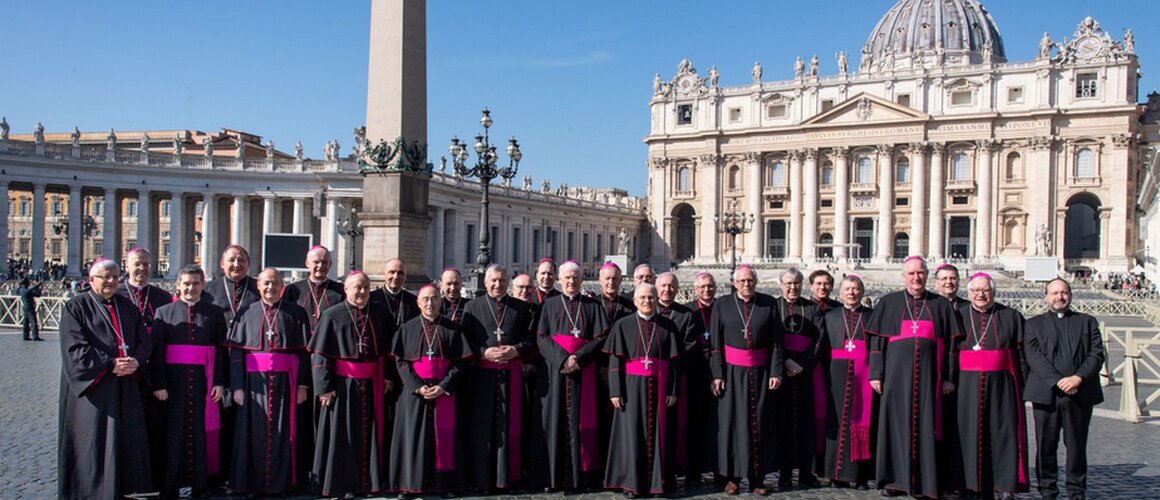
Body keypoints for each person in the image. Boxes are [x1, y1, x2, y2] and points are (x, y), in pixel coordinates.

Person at [865, 256, 964, 498]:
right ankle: (893, 481)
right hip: (895, 379)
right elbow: (877, 343)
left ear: (927, 276)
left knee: (929, 427)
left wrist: (949, 378)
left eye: (920, 273)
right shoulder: (889, 303)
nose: (916, 278)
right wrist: (876, 374)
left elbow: (951, 346)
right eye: (911, 274)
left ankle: (928, 482)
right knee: (893, 427)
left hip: (931, 380)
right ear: (904, 276)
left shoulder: (940, 305)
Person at [58, 259, 153, 499]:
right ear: (91, 280)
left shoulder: (126, 305)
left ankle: (124, 489)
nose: (111, 281)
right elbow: (75, 348)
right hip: (96, 388)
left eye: (115, 277)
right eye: (105, 277)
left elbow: (144, 340)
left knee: (125, 439)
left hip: (126, 383)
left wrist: (136, 361)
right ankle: (92, 492)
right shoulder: (75, 307)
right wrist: (110, 363)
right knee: (94, 442)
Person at [310, 271, 396, 498]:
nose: (362, 292)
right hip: (341, 386)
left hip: (373, 384)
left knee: (371, 433)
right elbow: (320, 356)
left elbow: (388, 351)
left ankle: (370, 483)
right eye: (357, 287)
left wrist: (388, 376)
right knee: (343, 435)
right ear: (346, 289)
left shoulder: (379, 312)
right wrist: (324, 388)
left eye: (366, 287)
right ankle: (343, 484)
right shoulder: (331, 315)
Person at [225, 268, 311, 496]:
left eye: (275, 283)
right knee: (253, 436)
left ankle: (283, 484)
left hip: (287, 384)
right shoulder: (246, 312)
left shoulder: (297, 313)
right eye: (266, 284)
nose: (270, 288)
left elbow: (304, 353)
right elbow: (235, 353)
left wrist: (303, 385)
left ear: (282, 286)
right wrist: (237, 387)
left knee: (286, 434)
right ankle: (253, 484)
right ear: (258, 286)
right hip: (254, 386)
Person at [149, 265, 229, 497]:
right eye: (186, 283)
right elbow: (157, 353)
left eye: (195, 283)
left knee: (201, 433)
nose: (191, 288)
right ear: (178, 285)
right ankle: (171, 484)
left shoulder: (214, 313)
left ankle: (201, 483)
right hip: (173, 384)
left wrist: (219, 382)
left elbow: (221, 350)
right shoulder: (163, 313)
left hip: (204, 383)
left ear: (203, 285)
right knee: (173, 434)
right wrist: (159, 384)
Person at [389, 285, 473, 497]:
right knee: (412, 438)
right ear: (418, 303)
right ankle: (409, 485)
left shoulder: (453, 328)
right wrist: (417, 387)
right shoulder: (406, 329)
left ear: (440, 301)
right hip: (414, 394)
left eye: (434, 298)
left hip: (445, 393)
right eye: (425, 299)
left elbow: (459, 364)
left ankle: (445, 485)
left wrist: (444, 386)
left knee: (445, 438)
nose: (430, 303)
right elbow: (401, 362)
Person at [1024, 278, 1104, 500]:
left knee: (1077, 448)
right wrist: (1058, 381)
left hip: (1079, 394)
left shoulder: (1087, 322)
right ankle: (1048, 492)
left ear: (1070, 295)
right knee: (1046, 447)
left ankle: (1076, 492)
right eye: (1054, 293)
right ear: (1046, 297)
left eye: (1064, 292)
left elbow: (1096, 354)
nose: (1059, 297)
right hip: (1047, 395)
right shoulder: (1032, 324)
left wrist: (1078, 378)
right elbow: (1033, 357)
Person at [953, 273, 1028, 500]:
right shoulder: (958, 316)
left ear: (993, 292)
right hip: (965, 386)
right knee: (967, 434)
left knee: (1003, 432)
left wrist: (1025, 386)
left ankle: (1004, 484)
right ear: (969, 293)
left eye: (985, 290)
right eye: (975, 291)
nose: (980, 295)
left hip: (1002, 385)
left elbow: (1022, 355)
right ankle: (969, 484)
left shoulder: (1011, 316)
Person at [710, 264, 784, 495]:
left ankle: (757, 478)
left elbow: (777, 342)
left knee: (760, 424)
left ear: (756, 282)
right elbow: (715, 345)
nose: (746, 285)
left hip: (761, 373)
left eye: (750, 280)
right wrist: (718, 374)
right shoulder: (722, 304)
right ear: (734, 283)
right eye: (742, 281)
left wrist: (776, 371)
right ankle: (732, 477)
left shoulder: (768, 303)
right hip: (731, 374)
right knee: (732, 424)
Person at [537, 260, 611, 491]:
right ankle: (553, 478)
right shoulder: (549, 306)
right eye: (567, 278)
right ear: (560, 280)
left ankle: (584, 477)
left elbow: (601, 337)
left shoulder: (592, 306)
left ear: (581, 280)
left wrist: (578, 358)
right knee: (554, 422)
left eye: (575, 278)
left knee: (584, 424)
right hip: (556, 372)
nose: (571, 281)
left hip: (584, 372)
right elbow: (541, 337)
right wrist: (562, 359)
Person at [461, 265, 536, 492]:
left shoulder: (522, 309)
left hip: (511, 377)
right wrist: (483, 352)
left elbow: (531, 339)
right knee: (483, 427)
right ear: (485, 282)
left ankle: (509, 477)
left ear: (508, 283)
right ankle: (482, 479)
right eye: (493, 280)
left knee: (511, 427)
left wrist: (516, 350)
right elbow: (465, 340)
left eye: (502, 280)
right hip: (482, 377)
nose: (497, 284)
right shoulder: (472, 307)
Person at [603, 284, 682, 497]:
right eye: (643, 298)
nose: (647, 301)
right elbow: (615, 361)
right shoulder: (623, 325)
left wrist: (673, 390)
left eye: (651, 298)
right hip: (630, 389)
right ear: (635, 301)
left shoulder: (668, 325)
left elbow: (674, 363)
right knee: (631, 435)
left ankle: (658, 483)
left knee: (660, 435)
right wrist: (615, 391)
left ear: (657, 300)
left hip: (660, 386)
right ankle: (632, 484)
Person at [117, 247, 174, 485]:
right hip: (124, 373)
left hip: (154, 371)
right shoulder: (116, 294)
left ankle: (152, 479)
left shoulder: (161, 296)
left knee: (155, 429)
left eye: (146, 265)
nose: (142, 269)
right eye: (137, 264)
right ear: (127, 266)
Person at [819, 275, 875, 489]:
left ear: (862, 292)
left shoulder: (871, 316)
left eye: (855, 289)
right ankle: (836, 474)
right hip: (836, 376)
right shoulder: (830, 316)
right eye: (847, 289)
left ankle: (861, 476)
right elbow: (822, 348)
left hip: (865, 376)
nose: (851, 293)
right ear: (840, 293)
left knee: (863, 424)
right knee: (837, 423)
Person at [773, 268, 824, 490]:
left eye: (797, 283)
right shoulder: (773, 307)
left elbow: (820, 340)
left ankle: (806, 471)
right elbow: (768, 338)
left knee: (806, 423)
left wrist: (802, 364)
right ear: (781, 284)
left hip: (806, 373)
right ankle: (783, 472)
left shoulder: (812, 308)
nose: (793, 287)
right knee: (782, 422)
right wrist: (785, 361)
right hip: (781, 371)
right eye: (789, 283)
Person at [654, 272, 696, 481]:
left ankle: (672, 468)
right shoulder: (647, 309)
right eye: (663, 286)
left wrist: (671, 364)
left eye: (671, 286)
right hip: (650, 376)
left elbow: (689, 345)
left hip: (676, 375)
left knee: (673, 425)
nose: (667, 290)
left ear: (677, 289)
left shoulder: (685, 315)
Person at [681, 271, 719, 483]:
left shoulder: (723, 308)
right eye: (702, 287)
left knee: (718, 423)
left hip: (720, 373)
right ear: (695, 289)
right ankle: (693, 471)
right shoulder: (688, 311)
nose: (707, 290)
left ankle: (719, 470)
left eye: (710, 286)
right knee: (694, 422)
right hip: (695, 372)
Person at [283, 245, 344, 334]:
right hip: (301, 341)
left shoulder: (340, 290)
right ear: (307, 263)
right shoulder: (293, 289)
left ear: (330, 264)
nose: (320, 266)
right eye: (316, 262)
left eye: (324, 262)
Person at [204, 244, 259, 327]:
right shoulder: (208, 289)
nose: (236, 264)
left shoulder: (259, 287)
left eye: (241, 260)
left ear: (248, 264)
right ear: (222, 264)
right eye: (231, 260)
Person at [370, 258, 419, 330]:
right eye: (391, 272)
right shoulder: (372, 298)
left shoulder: (413, 301)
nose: (396, 277)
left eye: (400, 273)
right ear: (384, 275)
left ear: (405, 276)